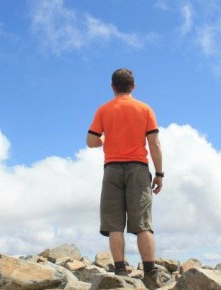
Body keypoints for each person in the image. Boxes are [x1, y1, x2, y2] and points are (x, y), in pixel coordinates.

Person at [87, 68, 167, 288]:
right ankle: (150, 273)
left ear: (113, 87)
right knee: (143, 225)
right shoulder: (145, 109)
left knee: (114, 224)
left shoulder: (103, 109)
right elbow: (154, 144)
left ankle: (121, 270)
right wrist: (159, 173)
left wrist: (105, 140)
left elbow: (91, 141)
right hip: (138, 169)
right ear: (133, 86)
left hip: (112, 169)